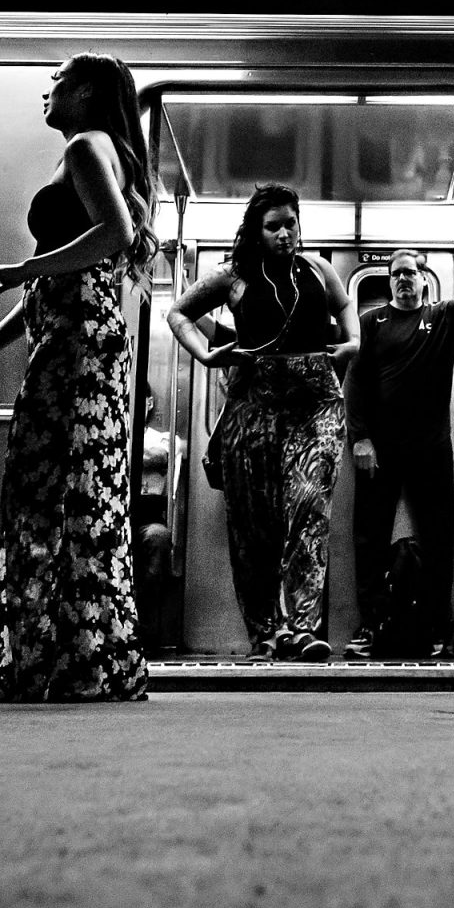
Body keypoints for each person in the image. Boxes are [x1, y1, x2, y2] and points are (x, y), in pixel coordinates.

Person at [0, 54, 156, 702]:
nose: (48, 88)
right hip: (74, 341)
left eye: (59, 80)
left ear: (87, 91)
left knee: (54, 499)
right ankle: (82, 659)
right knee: (71, 500)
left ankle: (64, 662)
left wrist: (21, 268)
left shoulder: (88, 145)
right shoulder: (95, 149)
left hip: (76, 351)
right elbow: (66, 275)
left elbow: (113, 237)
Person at [169, 186, 360, 661]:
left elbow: (344, 309)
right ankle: (266, 633)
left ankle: (302, 626)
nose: (284, 233)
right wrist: (204, 354)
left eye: (290, 223)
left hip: (316, 404)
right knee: (253, 528)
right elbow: (178, 313)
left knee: (309, 508)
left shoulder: (319, 270)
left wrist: (353, 342)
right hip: (254, 406)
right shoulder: (232, 278)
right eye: (274, 225)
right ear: (257, 231)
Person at [345, 249, 454, 656]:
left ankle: (436, 628)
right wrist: (359, 437)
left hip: (431, 448)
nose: (403, 279)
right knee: (370, 538)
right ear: (390, 282)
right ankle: (371, 626)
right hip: (380, 449)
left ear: (423, 279)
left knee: (438, 538)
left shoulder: (444, 316)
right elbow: (356, 383)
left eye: (410, 272)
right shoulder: (371, 322)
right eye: (396, 274)